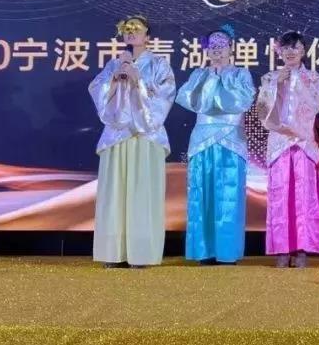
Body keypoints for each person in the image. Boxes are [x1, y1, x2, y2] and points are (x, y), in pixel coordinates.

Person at [88, 15, 176, 268]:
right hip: (117, 134)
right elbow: (97, 89)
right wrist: (114, 80)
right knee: (114, 194)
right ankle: (113, 253)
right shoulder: (115, 63)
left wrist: (139, 81)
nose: (131, 32)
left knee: (143, 193)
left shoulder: (159, 64)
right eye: (128, 29)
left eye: (137, 29)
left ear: (148, 35)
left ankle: (141, 254)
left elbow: (166, 95)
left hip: (146, 135)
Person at [176, 25, 256, 265]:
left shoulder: (241, 74)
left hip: (231, 139)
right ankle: (203, 251)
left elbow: (242, 101)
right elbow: (189, 100)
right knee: (201, 194)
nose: (217, 51)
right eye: (213, 46)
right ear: (206, 50)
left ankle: (227, 252)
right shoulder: (199, 74)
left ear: (231, 48)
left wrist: (223, 80)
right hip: (202, 139)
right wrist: (211, 79)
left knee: (229, 196)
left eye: (222, 46)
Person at [257, 30, 319, 268]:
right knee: (280, 196)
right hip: (279, 144)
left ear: (303, 51)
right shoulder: (269, 77)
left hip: (304, 142)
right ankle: (281, 249)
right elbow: (262, 110)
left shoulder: (313, 78)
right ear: (279, 52)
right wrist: (276, 84)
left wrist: (297, 82)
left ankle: (302, 249)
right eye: (286, 48)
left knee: (305, 197)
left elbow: (316, 103)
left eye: (295, 47)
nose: (290, 52)